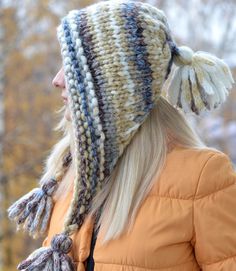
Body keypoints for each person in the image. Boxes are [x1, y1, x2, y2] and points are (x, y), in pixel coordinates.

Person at [7, 1, 236, 270]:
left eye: (72, 68)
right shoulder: (71, 172)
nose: (57, 80)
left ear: (112, 91)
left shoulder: (203, 176)